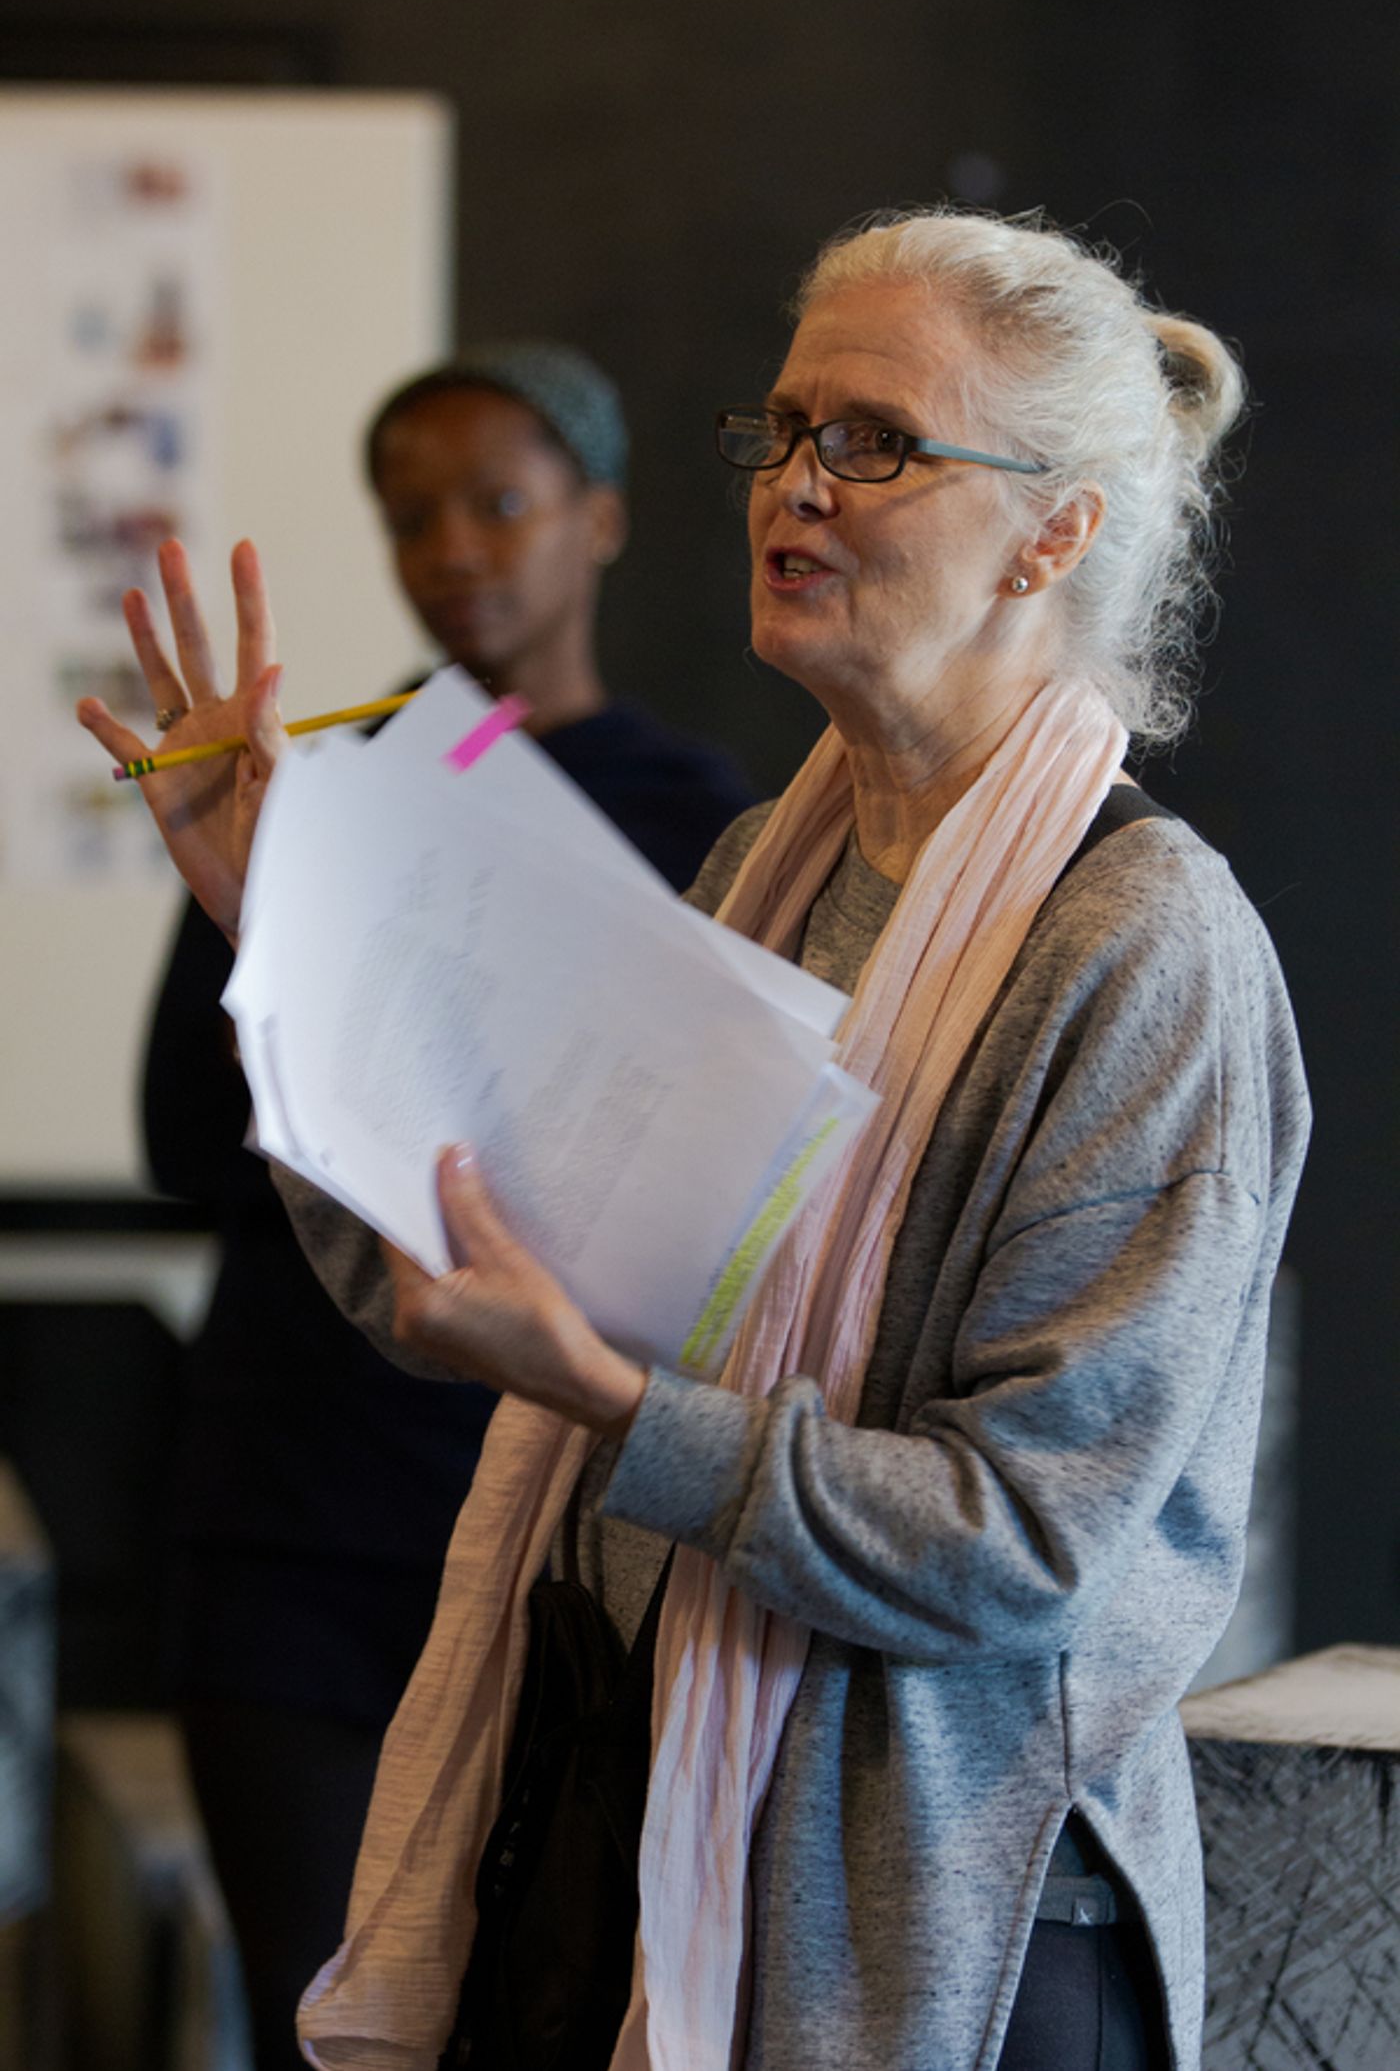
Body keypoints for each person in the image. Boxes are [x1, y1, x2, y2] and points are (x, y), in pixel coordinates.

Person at [80, 209, 1310, 2071]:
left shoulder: (1142, 948)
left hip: (935, 1940)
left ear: (1051, 534)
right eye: (785, 430)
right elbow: (478, 1266)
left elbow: (1020, 1543)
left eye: (873, 443)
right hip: (634, 1827)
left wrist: (615, 1406)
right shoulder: (763, 870)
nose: (793, 485)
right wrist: (286, 947)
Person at [135, 342, 752, 2071]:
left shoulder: (711, 824)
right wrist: (272, 941)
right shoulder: (310, 777)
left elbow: (703, 1182)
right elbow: (185, 1135)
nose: (456, 551)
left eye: (500, 502)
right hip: (294, 1518)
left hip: (551, 1523)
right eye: (414, 517)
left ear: (600, 518)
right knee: (311, 2020)